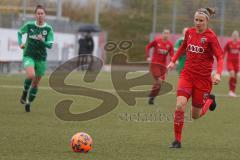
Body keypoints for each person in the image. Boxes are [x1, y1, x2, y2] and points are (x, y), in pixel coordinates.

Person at [167, 7, 223, 148]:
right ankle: (177, 140)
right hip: (187, 75)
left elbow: (220, 56)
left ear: (207, 21)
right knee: (180, 105)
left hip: (203, 80)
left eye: (201, 20)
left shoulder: (210, 37)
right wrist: (173, 60)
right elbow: (183, 47)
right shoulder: (189, 32)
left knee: (195, 115)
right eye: (196, 20)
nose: (198, 23)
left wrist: (218, 73)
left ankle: (209, 100)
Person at [18, 5, 54, 112]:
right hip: (29, 55)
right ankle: (24, 92)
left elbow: (50, 46)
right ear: (35, 15)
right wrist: (20, 43)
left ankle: (28, 102)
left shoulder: (48, 29)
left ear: (45, 15)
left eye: (42, 13)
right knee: (31, 75)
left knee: (36, 83)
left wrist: (42, 40)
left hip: (41, 59)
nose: (40, 15)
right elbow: (19, 33)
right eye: (38, 13)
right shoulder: (29, 25)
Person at [146, 29, 174, 105]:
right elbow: (148, 47)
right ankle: (151, 96)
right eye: (165, 33)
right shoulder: (157, 41)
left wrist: (173, 61)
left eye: (168, 33)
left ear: (169, 35)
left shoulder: (169, 44)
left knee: (159, 84)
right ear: (162, 34)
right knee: (159, 80)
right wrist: (148, 56)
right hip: (154, 64)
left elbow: (172, 54)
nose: (166, 35)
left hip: (163, 66)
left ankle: (152, 97)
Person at [224, 30, 240, 97]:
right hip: (229, 62)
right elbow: (224, 51)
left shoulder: (239, 43)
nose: (235, 37)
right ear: (232, 36)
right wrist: (221, 58)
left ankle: (233, 91)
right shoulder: (229, 43)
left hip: (236, 63)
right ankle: (230, 91)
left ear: (238, 36)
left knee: (235, 77)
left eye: (236, 36)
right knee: (232, 74)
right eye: (234, 36)